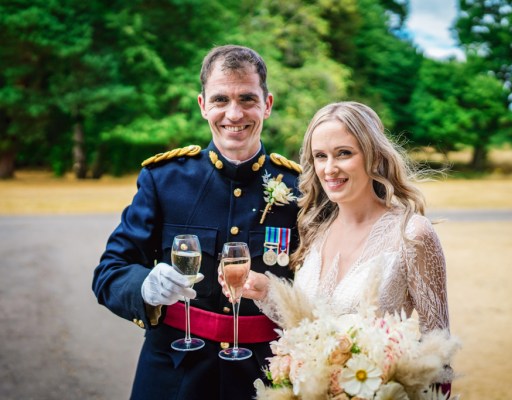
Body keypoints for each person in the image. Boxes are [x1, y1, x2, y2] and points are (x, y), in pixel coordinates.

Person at [92, 45, 302, 399]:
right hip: (174, 374)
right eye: (220, 99)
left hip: (268, 375)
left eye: (247, 99)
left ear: (267, 104)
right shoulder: (164, 179)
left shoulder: (301, 188)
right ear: (203, 105)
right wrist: (145, 286)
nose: (234, 114)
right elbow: (109, 272)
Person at [229, 101, 452, 393]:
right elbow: (310, 326)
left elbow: (440, 358)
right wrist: (267, 292)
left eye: (343, 153)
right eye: (320, 156)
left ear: (372, 156)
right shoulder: (314, 229)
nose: (329, 168)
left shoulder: (412, 234)